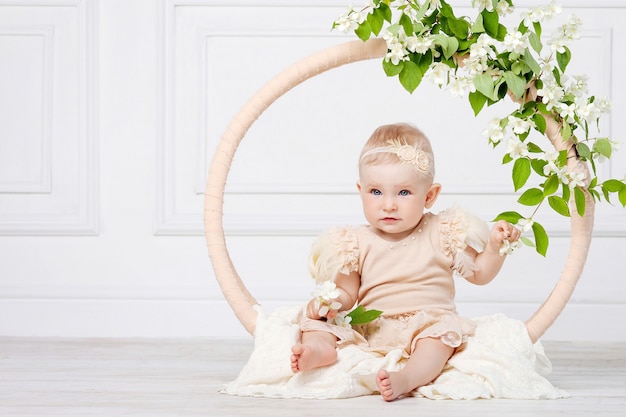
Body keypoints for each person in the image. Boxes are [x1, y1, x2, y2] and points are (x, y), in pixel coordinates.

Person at [289, 122, 521, 401]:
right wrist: (329, 302)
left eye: (403, 193)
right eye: (376, 192)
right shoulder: (354, 241)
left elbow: (480, 273)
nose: (389, 204)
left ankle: (407, 378)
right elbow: (348, 293)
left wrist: (495, 247)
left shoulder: (443, 231)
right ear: (360, 190)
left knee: (440, 338)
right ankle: (318, 350)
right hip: (372, 325)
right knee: (313, 321)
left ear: (430, 195)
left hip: (426, 324)